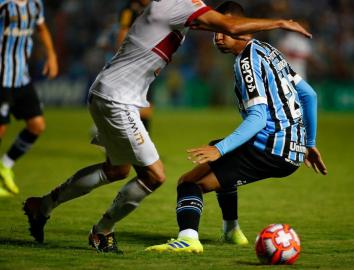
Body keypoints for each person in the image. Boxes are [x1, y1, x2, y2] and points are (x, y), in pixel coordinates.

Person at [23, 0, 312, 253]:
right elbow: (228, 24)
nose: (218, 36)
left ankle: (43, 206)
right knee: (155, 176)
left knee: (117, 169)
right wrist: (280, 22)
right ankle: (102, 231)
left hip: (113, 94)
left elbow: (223, 24)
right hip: (117, 99)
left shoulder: (181, 10)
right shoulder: (178, 5)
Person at [145, 1, 327, 254]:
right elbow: (309, 95)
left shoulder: (246, 63)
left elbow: (258, 118)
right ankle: (231, 231)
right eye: (216, 31)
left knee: (188, 183)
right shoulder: (268, 51)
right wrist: (309, 144)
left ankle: (188, 239)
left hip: (270, 148)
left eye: (225, 30)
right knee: (219, 153)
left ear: (245, 30)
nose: (218, 37)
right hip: (292, 149)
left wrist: (220, 150)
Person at [0, 0, 58, 197]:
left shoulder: (35, 4)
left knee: (37, 125)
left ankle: (5, 165)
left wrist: (51, 55)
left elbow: (41, 29)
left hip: (21, 78)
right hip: (1, 78)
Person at [117, 0, 153, 131]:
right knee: (135, 104)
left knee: (147, 105)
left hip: (149, 61)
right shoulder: (129, 9)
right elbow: (123, 31)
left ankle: (142, 143)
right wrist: (122, 58)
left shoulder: (155, 6)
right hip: (133, 62)